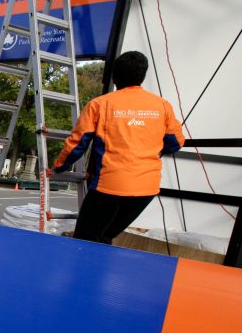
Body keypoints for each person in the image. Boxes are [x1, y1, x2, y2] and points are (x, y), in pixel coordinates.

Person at [47, 50, 185, 244]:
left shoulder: (101, 104)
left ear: (114, 77)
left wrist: (58, 167)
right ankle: (99, 272)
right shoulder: (162, 106)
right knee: (104, 235)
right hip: (146, 189)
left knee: (86, 239)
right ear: (142, 76)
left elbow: (78, 144)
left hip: (109, 186)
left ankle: (85, 274)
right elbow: (175, 143)